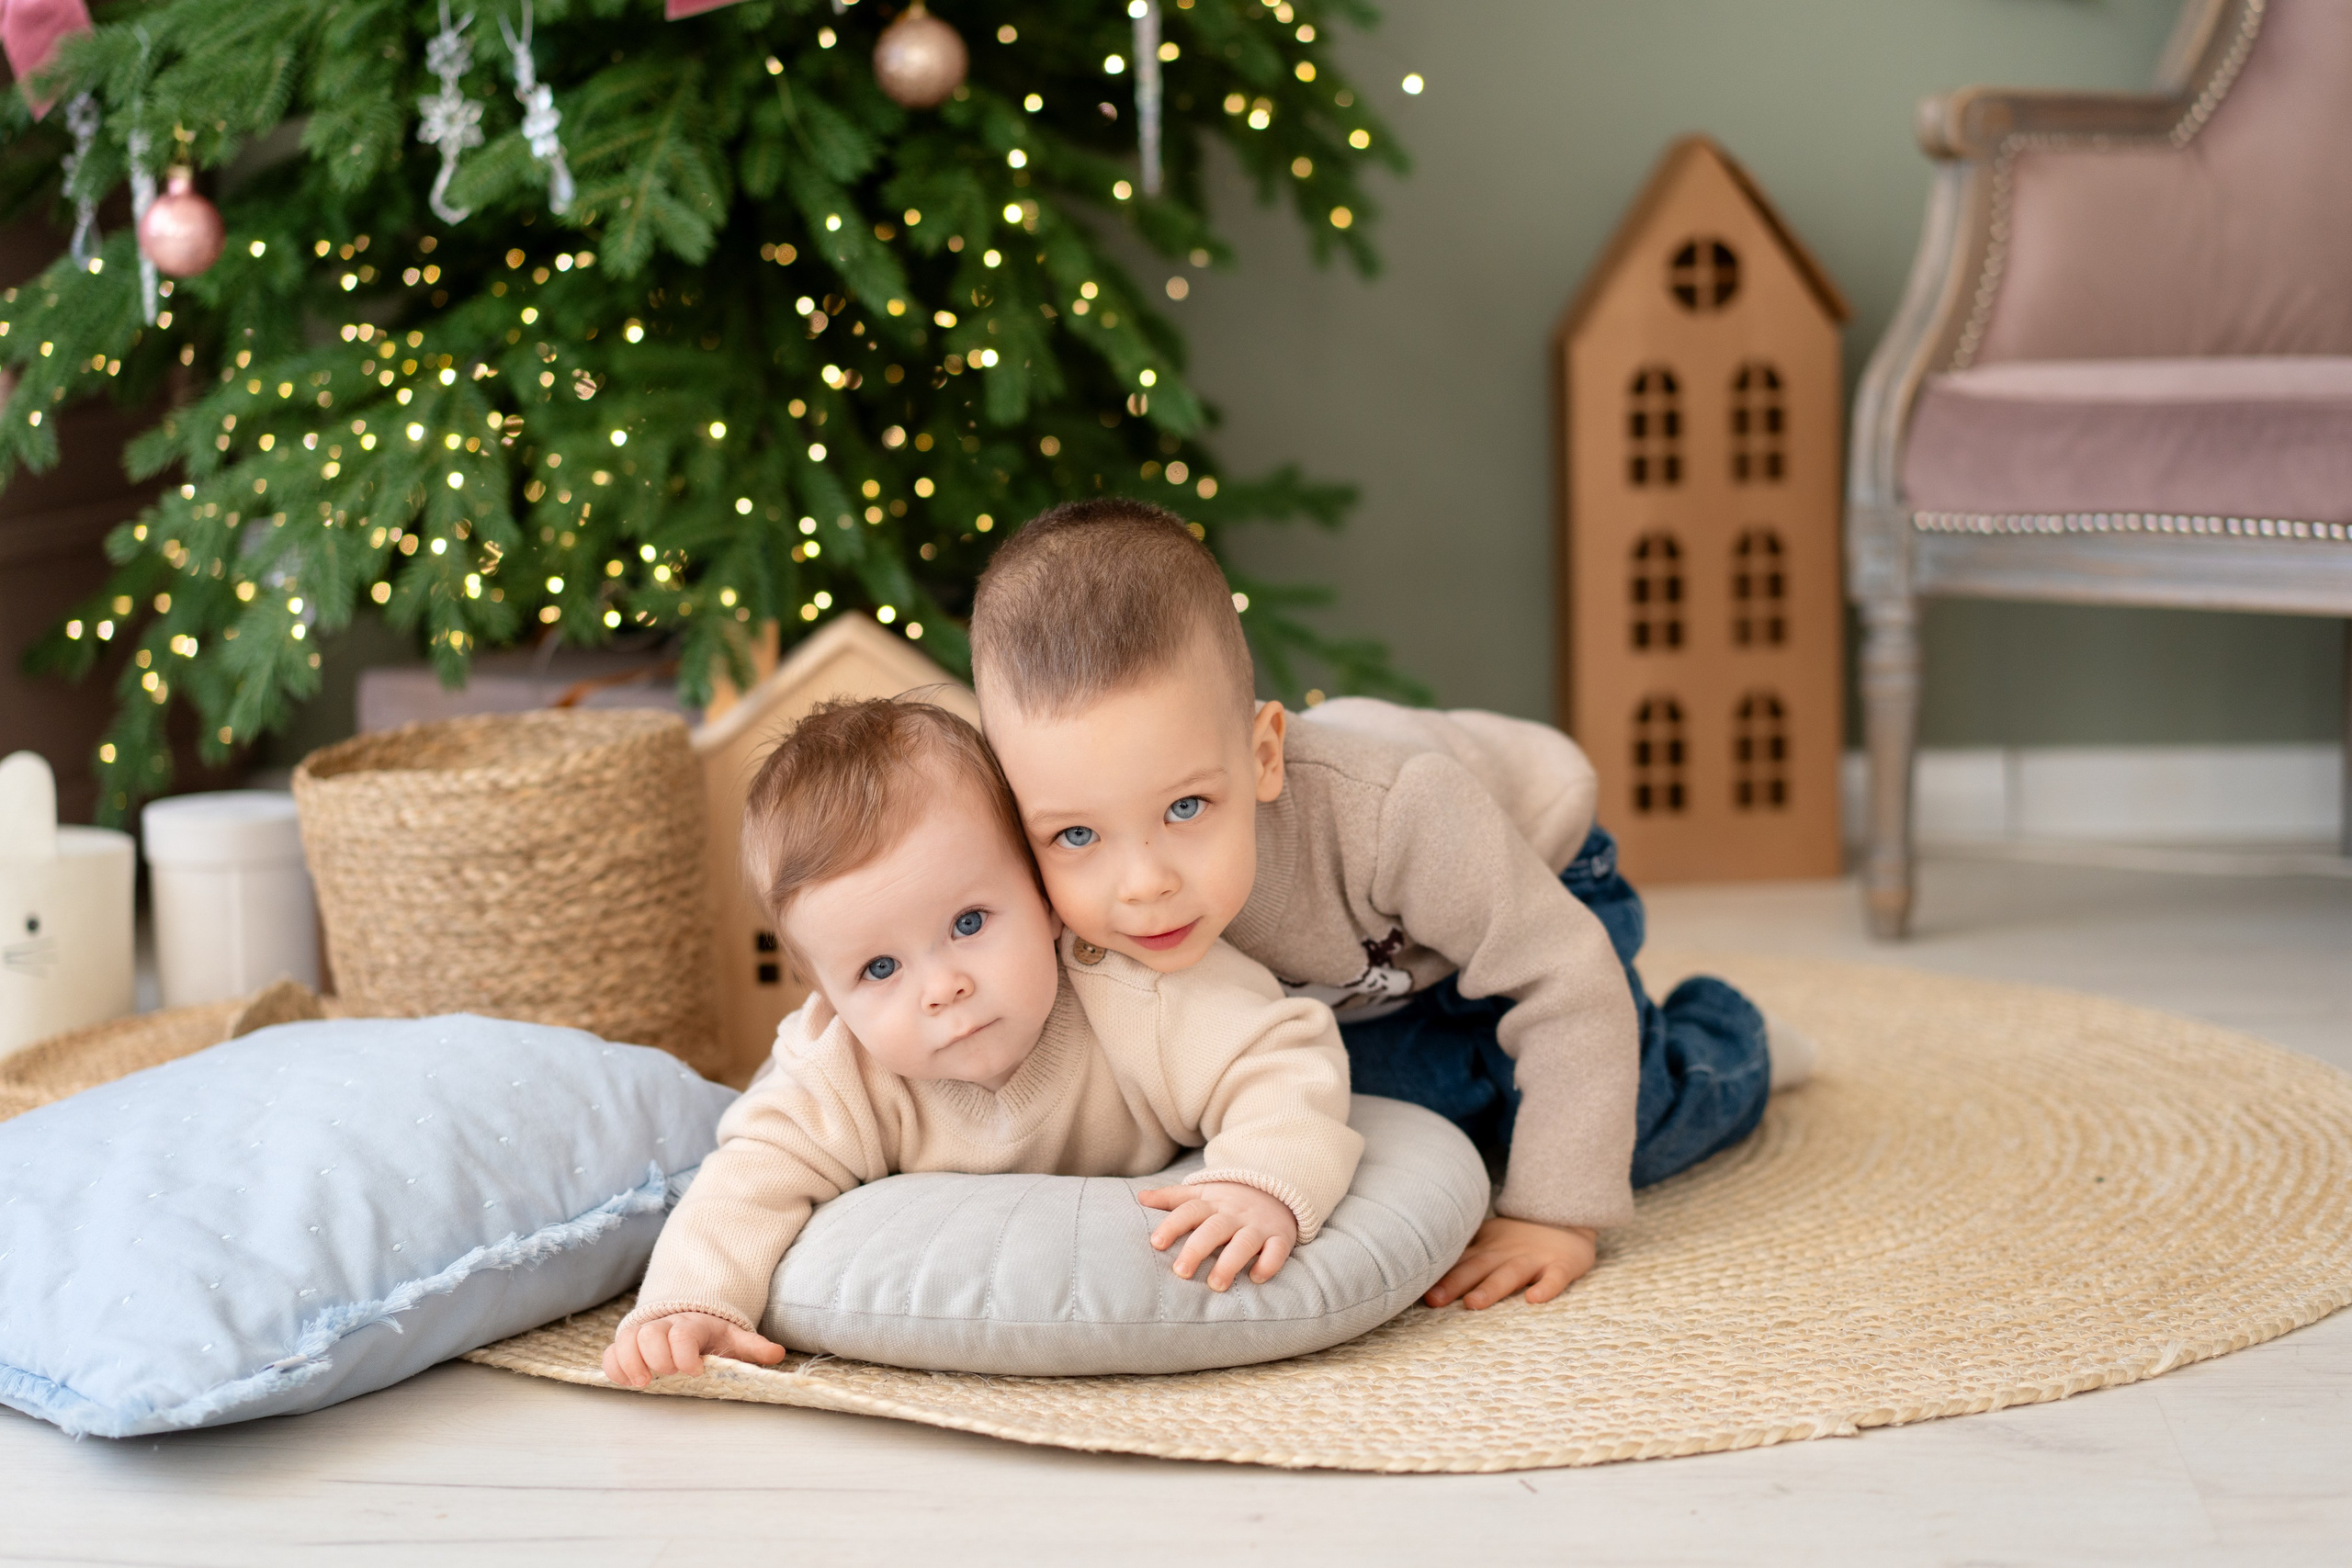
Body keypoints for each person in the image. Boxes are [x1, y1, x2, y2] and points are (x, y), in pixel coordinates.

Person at [970, 500, 1809, 1314]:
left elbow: (1565, 975)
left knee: (1621, 1127)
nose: (1143, 884)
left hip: (1533, 882)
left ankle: (1729, 1038)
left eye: (1186, 808)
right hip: (1367, 969)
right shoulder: (1048, 880)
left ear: (1264, 755)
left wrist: (1554, 1216)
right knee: (1394, 1113)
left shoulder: (1392, 812)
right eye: (1076, 834)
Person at [604, 697, 1362, 1388]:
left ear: (1044, 897)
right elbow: (747, 1178)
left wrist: (1260, 1179)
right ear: (827, 998)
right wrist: (690, 1300)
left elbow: (1283, 1058)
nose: (942, 987)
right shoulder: (839, 1072)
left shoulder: (1137, 994)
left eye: (968, 923)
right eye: (879, 968)